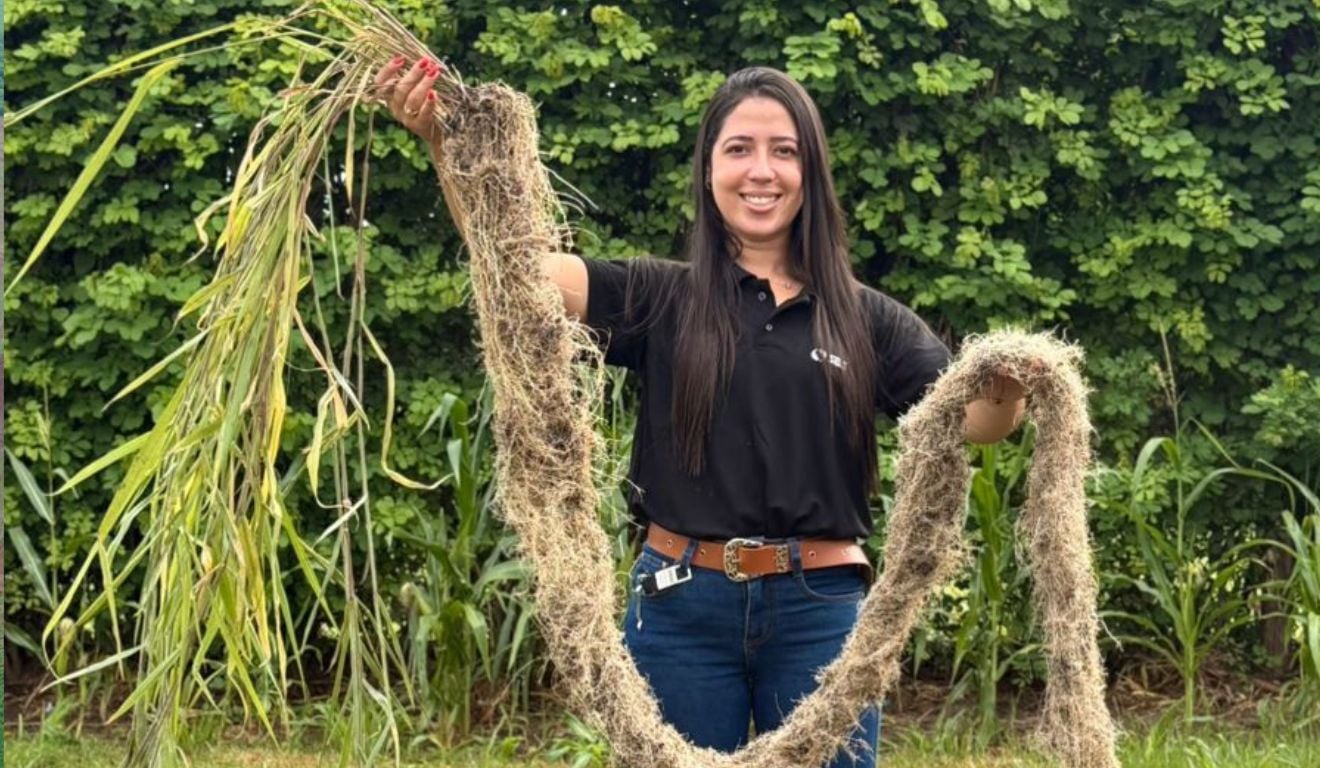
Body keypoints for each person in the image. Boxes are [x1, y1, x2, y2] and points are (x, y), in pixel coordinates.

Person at [376, 59, 1027, 767]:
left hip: (822, 612)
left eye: (784, 151)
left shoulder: (867, 319)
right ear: (709, 168)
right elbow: (515, 271)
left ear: (810, 172)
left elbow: (976, 423)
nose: (761, 171)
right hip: (680, 604)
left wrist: (1005, 385)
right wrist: (447, 146)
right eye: (739, 149)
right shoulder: (663, 297)